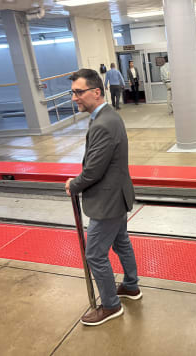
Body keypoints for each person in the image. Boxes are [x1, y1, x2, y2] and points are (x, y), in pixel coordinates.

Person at [66, 68, 141, 326]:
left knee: (95, 254)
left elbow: (93, 170)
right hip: (117, 195)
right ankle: (131, 286)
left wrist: (74, 185)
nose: (74, 97)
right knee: (121, 243)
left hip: (107, 202)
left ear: (96, 92)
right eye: (73, 92)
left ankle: (110, 305)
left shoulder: (103, 123)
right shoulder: (108, 115)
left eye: (79, 92)